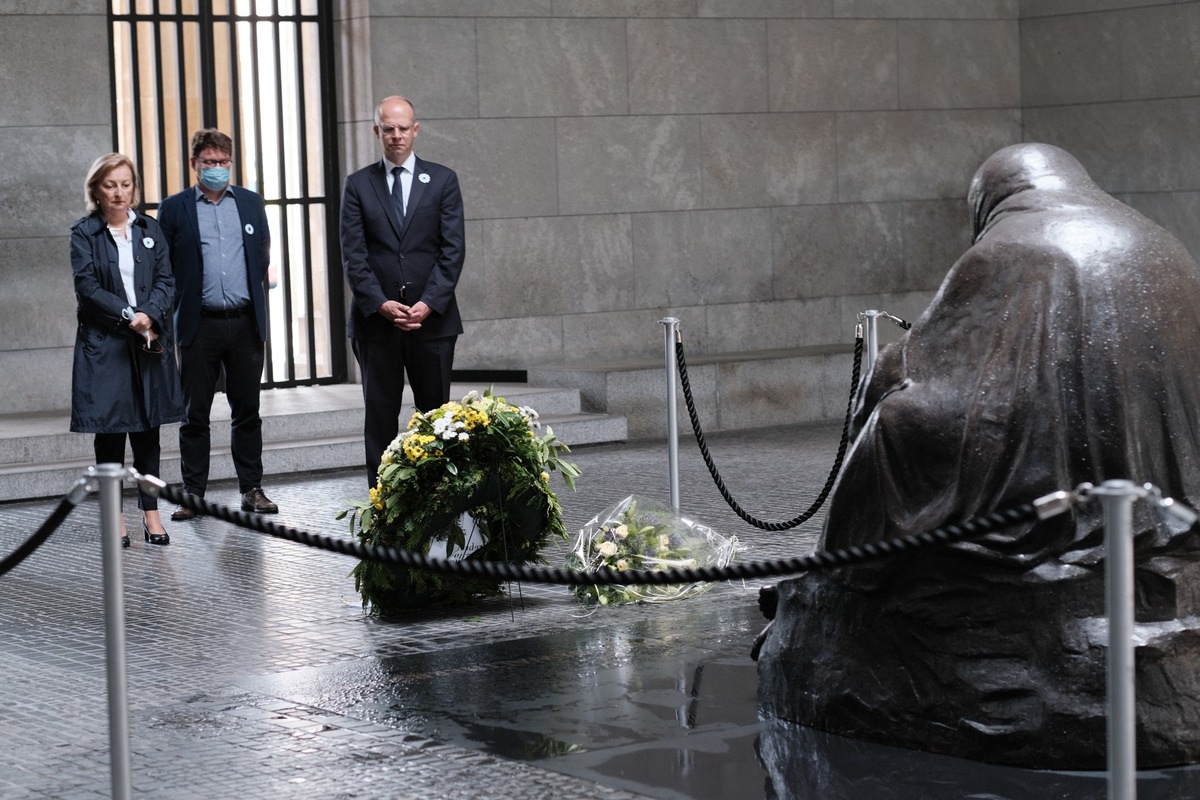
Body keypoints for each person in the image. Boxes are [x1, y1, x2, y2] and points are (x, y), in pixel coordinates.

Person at [340, 95, 466, 485]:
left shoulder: (442, 180)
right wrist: (379, 303)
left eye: (403, 128)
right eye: (388, 128)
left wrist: (428, 303)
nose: (396, 135)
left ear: (416, 129)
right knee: (380, 417)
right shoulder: (359, 185)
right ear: (377, 131)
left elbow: (453, 249)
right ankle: (383, 503)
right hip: (377, 325)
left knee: (436, 420)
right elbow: (353, 254)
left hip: (432, 323)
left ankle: (438, 499)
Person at [158, 129, 278, 518]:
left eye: (223, 163)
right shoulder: (174, 209)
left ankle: (252, 489)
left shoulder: (248, 202)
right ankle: (193, 492)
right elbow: (166, 266)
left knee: (247, 411)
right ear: (194, 164)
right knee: (195, 415)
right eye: (208, 162)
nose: (216, 169)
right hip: (199, 324)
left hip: (245, 323)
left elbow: (261, 255)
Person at [70, 153, 185, 547]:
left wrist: (149, 315)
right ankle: (114, 516)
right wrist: (128, 314)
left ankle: (151, 514)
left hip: (147, 340)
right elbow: (87, 287)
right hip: (106, 345)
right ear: (96, 190)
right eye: (110, 185)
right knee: (111, 432)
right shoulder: (84, 234)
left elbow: (167, 281)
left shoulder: (150, 229)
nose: (119, 193)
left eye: (125, 184)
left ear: (134, 187)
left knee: (148, 429)